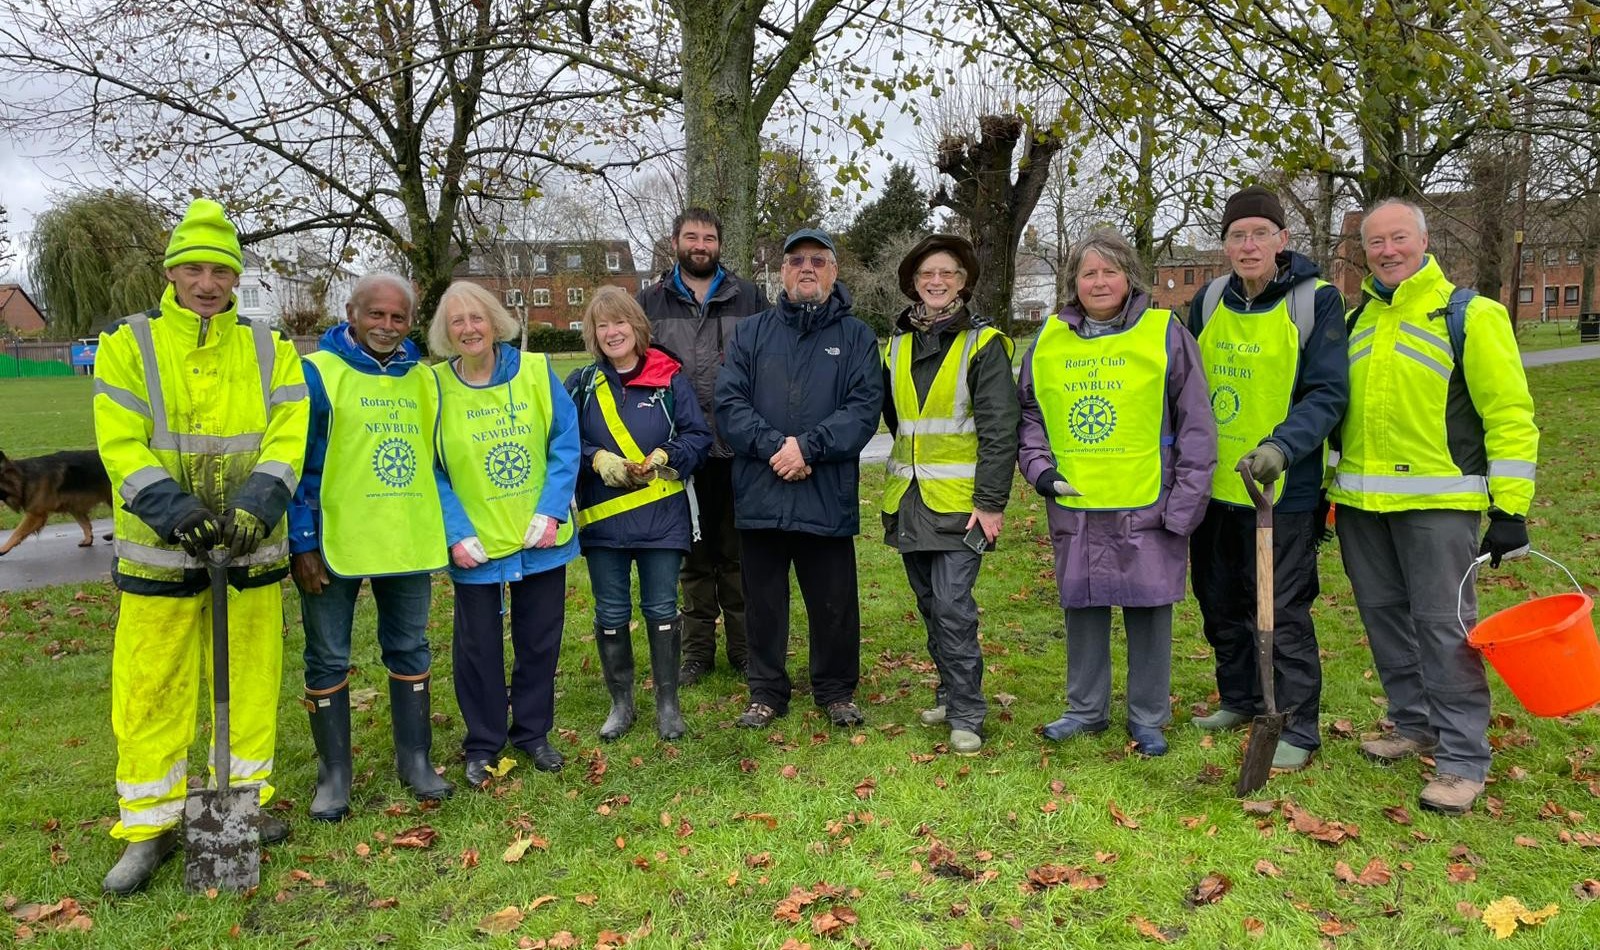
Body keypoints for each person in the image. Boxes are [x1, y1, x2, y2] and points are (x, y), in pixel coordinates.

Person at [94, 198, 308, 893]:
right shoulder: (129, 344)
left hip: (247, 549)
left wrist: (260, 500)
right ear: (172, 273)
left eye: (221, 269)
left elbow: (287, 431)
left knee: (246, 679)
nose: (208, 283)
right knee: (152, 685)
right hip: (162, 553)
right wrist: (168, 504)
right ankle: (149, 825)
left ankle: (239, 805)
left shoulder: (268, 345)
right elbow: (120, 439)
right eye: (195, 269)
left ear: (235, 276)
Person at [1332, 199, 1538, 815]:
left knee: (1445, 628)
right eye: (1375, 243)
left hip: (1440, 504)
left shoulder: (1470, 315)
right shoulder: (1355, 321)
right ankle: (1411, 721)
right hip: (1361, 506)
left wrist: (1510, 507)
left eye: (1398, 239)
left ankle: (1462, 759)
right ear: (1363, 251)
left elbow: (1509, 413)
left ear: (1423, 242)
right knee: (1384, 618)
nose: (1387, 251)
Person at [1017, 228, 1216, 757]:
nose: (1099, 281)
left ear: (1129, 277)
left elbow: (1196, 422)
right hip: (1077, 501)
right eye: (1088, 272)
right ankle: (1085, 709)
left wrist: (1186, 502)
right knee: (1082, 606)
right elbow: (1030, 416)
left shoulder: (1165, 332)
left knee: (1150, 609)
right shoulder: (1049, 341)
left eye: (1109, 271)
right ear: (1073, 282)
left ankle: (1148, 716)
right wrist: (1039, 471)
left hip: (1148, 500)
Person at [1186, 185, 1349, 772]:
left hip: (1281, 489)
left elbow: (1328, 391)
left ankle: (1298, 727)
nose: (1248, 245)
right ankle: (1239, 696)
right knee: (1219, 598)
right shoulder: (1206, 302)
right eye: (1236, 235)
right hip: (1214, 485)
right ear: (1224, 244)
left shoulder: (1315, 302)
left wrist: (1283, 446)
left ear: (1283, 240)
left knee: (1279, 609)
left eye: (1260, 233)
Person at [289, 273, 454, 820]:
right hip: (334, 543)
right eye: (375, 315)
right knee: (328, 655)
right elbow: (295, 464)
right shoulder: (317, 373)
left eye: (398, 317)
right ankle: (334, 776)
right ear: (351, 313)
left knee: (410, 648)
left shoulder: (426, 380)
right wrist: (302, 540)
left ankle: (416, 760)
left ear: (412, 321)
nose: (387, 326)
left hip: (405, 540)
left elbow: (441, 463)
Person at [714, 227, 883, 729]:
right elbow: (729, 403)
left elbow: (862, 408)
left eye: (818, 259)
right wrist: (777, 449)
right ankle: (766, 691)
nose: (806, 267)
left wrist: (808, 447)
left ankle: (834, 689)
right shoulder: (750, 333)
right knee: (763, 603)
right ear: (781, 272)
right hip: (762, 493)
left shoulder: (856, 337)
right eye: (795, 260)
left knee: (833, 602)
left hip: (824, 493)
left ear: (833, 271)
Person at [430, 281, 580, 784]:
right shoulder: (433, 387)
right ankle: (483, 743)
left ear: (495, 321)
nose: (469, 328)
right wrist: (454, 530)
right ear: (446, 332)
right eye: (457, 321)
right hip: (475, 545)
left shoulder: (536, 371)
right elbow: (432, 468)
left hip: (539, 537)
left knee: (539, 641)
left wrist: (552, 509)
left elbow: (565, 439)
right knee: (478, 649)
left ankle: (533, 734)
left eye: (477, 318)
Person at [880, 234, 1018, 754]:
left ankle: (967, 712)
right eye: (926, 275)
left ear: (964, 283)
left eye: (949, 274)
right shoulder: (895, 345)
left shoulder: (983, 345)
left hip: (963, 504)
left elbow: (1000, 430)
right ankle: (948, 690)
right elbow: (898, 421)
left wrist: (990, 503)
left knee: (954, 607)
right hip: (909, 500)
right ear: (913, 283)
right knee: (929, 605)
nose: (937, 282)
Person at [566, 287, 712, 741]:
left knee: (662, 608)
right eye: (602, 325)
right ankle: (621, 705)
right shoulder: (581, 384)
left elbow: (698, 436)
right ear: (593, 333)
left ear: (637, 327)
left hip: (662, 518)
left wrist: (667, 455)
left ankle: (668, 706)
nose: (612, 332)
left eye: (620, 322)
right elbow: (562, 443)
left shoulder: (670, 380)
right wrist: (598, 461)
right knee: (610, 611)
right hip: (604, 519)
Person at [638, 209, 769, 685]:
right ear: (675, 241)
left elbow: (766, 365)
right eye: (691, 236)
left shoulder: (749, 297)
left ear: (719, 244)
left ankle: (744, 649)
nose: (700, 245)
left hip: (738, 449)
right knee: (692, 560)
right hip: (681, 451)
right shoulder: (650, 302)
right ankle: (696, 654)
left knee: (737, 557)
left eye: (709, 238)